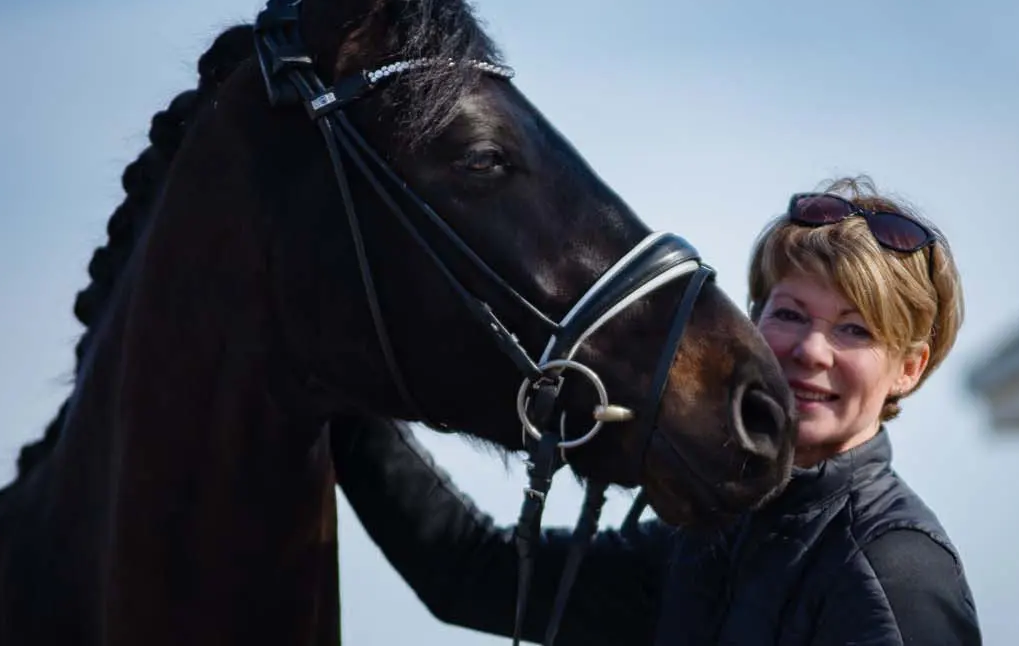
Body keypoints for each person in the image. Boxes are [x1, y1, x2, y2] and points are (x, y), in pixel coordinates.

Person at [331, 175, 980, 645]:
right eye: (790, 315)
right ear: (753, 327)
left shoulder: (895, 568)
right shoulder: (712, 536)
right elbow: (471, 574)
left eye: (855, 330)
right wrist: (336, 381)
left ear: (909, 369)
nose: (812, 350)